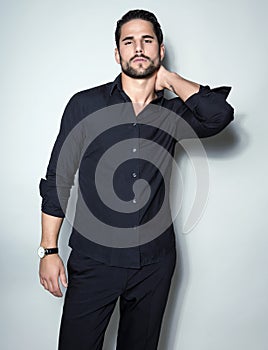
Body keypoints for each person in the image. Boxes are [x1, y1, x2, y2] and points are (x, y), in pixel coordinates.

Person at [38, 9, 234, 350]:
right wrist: (49, 249)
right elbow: (59, 177)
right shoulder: (85, 105)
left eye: (147, 40)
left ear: (159, 51)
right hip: (93, 259)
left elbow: (219, 115)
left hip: (154, 264)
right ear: (118, 53)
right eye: (129, 41)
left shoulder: (174, 114)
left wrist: (171, 80)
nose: (138, 48)